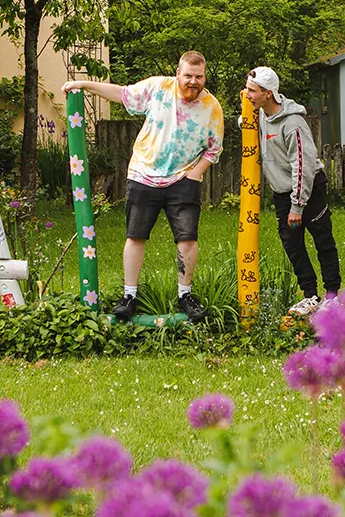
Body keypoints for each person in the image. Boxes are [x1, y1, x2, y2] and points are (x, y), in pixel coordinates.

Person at [61, 51, 224, 322]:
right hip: (143, 174)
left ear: (204, 76)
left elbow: (213, 148)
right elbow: (122, 94)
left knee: (187, 238)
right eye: (188, 76)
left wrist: (195, 174)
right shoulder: (158, 88)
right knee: (135, 235)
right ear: (178, 74)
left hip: (183, 178)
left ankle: (185, 295)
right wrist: (84, 85)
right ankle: (129, 296)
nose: (193, 82)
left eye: (199, 76)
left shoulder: (212, 107)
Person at [244, 67, 341, 314]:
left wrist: (297, 205)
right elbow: (245, 122)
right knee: (293, 245)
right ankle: (310, 295)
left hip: (308, 189)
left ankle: (332, 296)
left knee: (323, 241)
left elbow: (303, 164)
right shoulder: (261, 115)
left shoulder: (292, 123)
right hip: (282, 194)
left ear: (268, 93)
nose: (248, 95)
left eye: (252, 91)